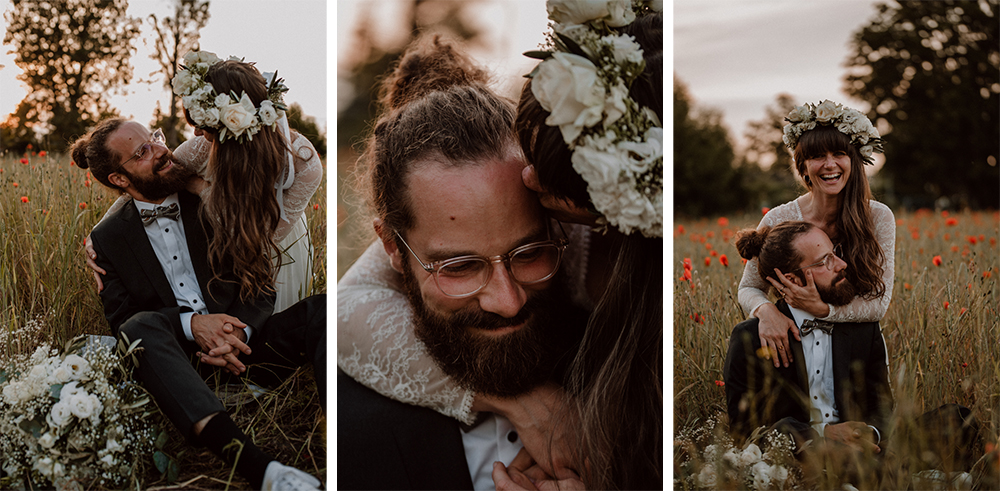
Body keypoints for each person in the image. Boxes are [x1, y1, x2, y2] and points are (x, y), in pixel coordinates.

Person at [338, 3, 663, 489]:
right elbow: (346, 309)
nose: (507, 302)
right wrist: (525, 400)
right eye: (460, 266)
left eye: (530, 253)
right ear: (392, 245)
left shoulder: (588, 223)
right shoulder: (351, 428)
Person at [71, 118, 326, 490]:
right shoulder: (108, 239)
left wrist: (237, 330)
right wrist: (193, 326)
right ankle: (263, 470)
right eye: (142, 152)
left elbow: (259, 281)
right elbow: (124, 322)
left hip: (247, 350)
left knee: (321, 310)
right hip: (182, 368)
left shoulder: (209, 200)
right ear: (119, 180)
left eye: (155, 138)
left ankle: (342, 440)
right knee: (136, 330)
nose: (160, 150)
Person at [726, 221, 978, 485]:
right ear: (791, 280)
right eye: (825, 261)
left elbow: (880, 404)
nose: (841, 264)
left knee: (958, 419)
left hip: (869, 445)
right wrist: (826, 433)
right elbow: (746, 431)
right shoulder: (751, 338)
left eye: (834, 253)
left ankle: (892, 474)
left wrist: (869, 433)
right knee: (841, 458)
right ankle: (916, 480)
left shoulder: (860, 325)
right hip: (810, 451)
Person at [86, 51, 322, 313]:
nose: (196, 132)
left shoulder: (303, 164)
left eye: (202, 125)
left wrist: (201, 188)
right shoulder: (198, 150)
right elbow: (141, 187)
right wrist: (97, 237)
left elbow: (261, 243)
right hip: (231, 256)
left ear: (231, 126)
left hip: (277, 245)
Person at [738, 99, 895, 370]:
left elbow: (878, 305)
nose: (829, 164)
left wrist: (823, 310)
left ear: (854, 160)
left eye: (839, 153)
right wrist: (766, 312)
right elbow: (750, 288)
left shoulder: (878, 217)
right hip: (795, 344)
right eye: (817, 156)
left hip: (855, 349)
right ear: (803, 167)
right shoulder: (779, 219)